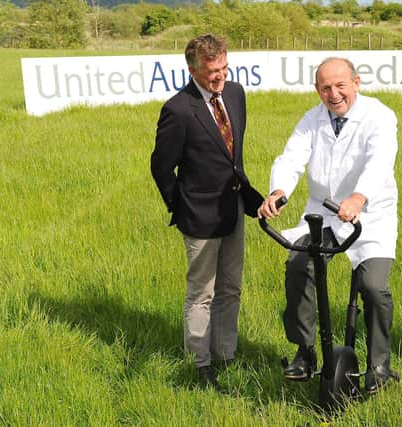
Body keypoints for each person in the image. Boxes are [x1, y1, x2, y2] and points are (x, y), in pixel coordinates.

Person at [258, 57, 399, 394]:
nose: (333, 94)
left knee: (374, 287)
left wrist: (359, 197)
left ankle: (379, 365)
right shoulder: (313, 118)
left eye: (340, 86)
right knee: (298, 266)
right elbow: (291, 157)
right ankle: (305, 352)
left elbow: (380, 161)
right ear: (317, 89)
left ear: (356, 83)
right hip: (323, 216)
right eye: (325, 88)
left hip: (370, 216)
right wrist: (278, 191)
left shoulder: (379, 116)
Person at [150, 34, 263, 389]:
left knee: (231, 288)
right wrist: (182, 208)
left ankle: (226, 354)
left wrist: (252, 198)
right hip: (198, 217)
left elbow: (233, 159)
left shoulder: (235, 94)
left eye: (224, 68)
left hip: (234, 207)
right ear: (193, 70)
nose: (221, 77)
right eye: (213, 72)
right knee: (202, 294)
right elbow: (161, 167)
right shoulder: (178, 109)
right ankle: (200, 364)